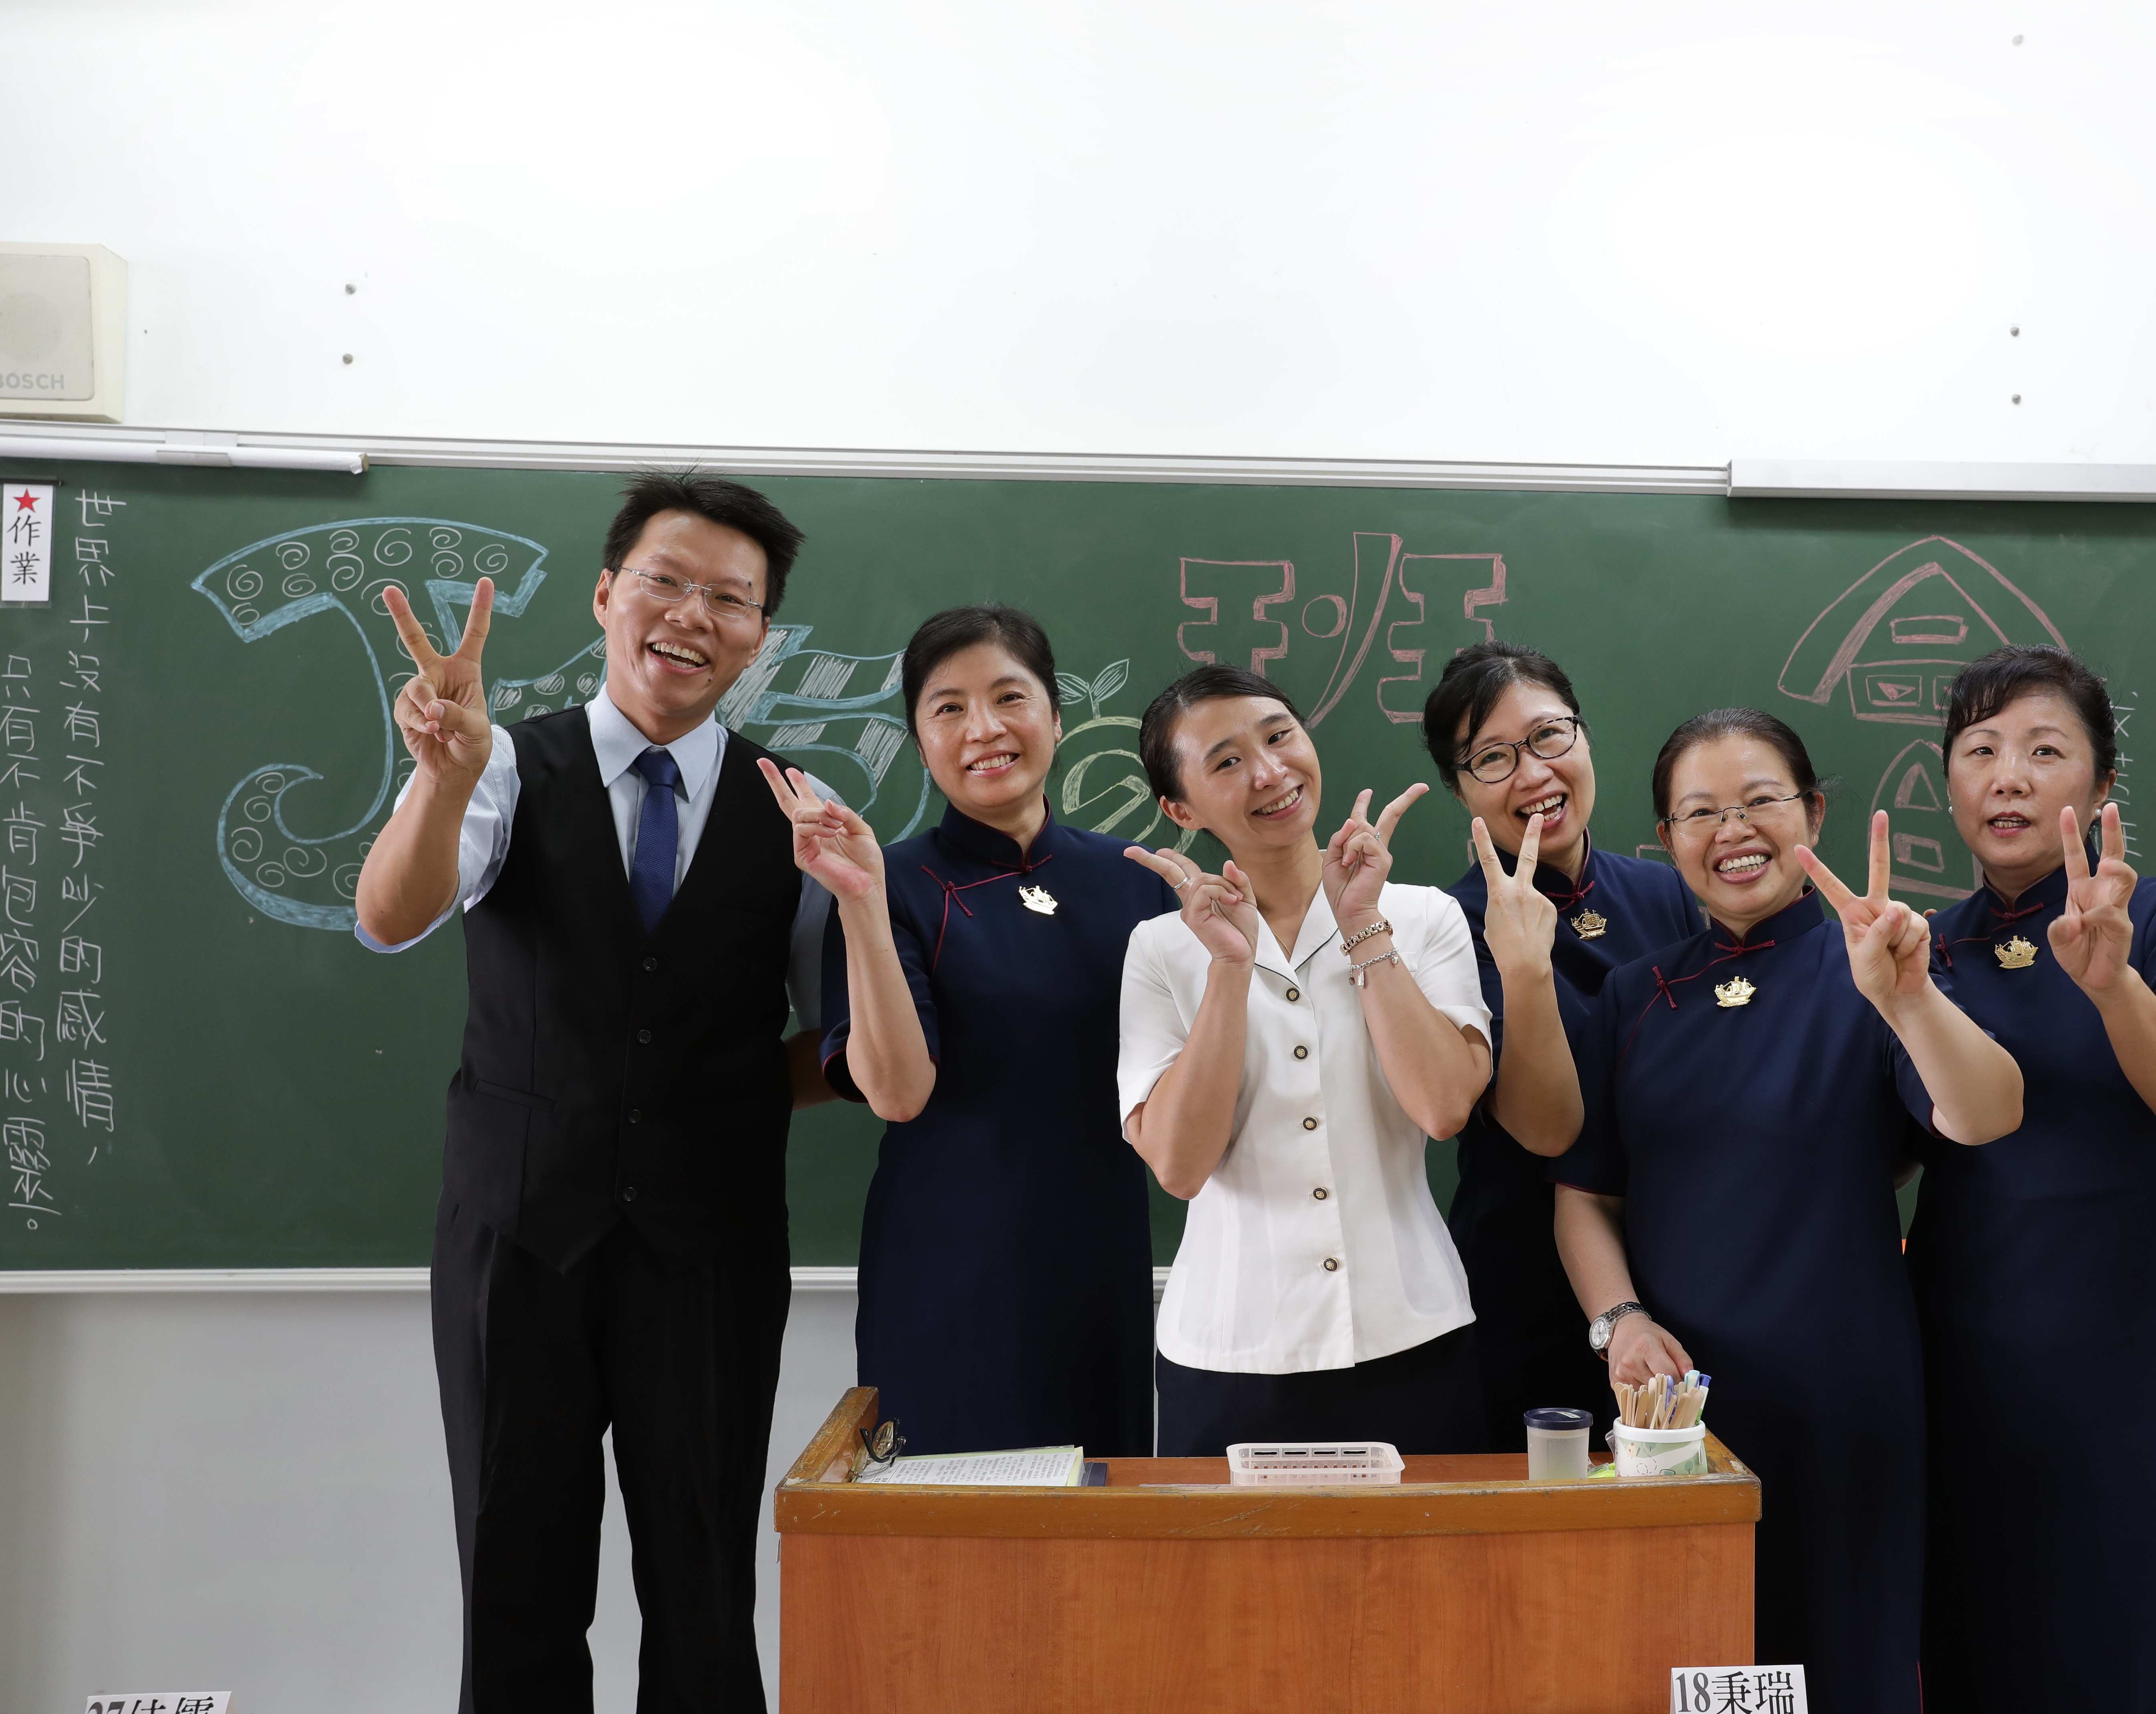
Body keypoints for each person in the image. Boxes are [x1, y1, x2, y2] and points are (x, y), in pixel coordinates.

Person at [355, 472, 838, 1714]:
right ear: (607, 594)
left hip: (712, 1250)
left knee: (705, 1592)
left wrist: (707, 1101)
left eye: (730, 599)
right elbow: (391, 917)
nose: (692, 616)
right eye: (665, 583)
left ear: (760, 636)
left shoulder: (802, 809)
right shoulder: (498, 763)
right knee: (514, 1583)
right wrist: (443, 777)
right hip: (518, 1237)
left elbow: (834, 1048)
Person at [1550, 708, 2023, 1710]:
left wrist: (1908, 997)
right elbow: (1585, 1195)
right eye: (1701, 812)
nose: (1734, 830)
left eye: (1761, 800)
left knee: (1848, 1663)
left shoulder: (1880, 962)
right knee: (1692, 1657)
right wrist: (1619, 1320)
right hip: (1676, 1410)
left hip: (1846, 1397)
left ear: (1812, 812)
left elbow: (1985, 1116)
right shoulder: (1633, 995)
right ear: (1667, 838)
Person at [1908, 645, 2156, 1713]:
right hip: (1970, 1363)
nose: (2007, 778)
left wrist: (2115, 986)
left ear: (2104, 782)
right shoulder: (1920, 951)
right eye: (1980, 751)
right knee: (1985, 1652)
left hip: (2144, 1366)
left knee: (2147, 1652)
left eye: (2044, 751)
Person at [768, 604, 1177, 1458]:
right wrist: (862, 903)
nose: (984, 728)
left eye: (1009, 697)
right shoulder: (883, 881)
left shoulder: (1140, 882)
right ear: (921, 744)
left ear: (1056, 716)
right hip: (947, 1273)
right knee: (947, 1524)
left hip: (1101, 1265)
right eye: (948, 708)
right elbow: (897, 1091)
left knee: (1100, 1517)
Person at [1115, 664, 1493, 1456]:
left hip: (1413, 1335)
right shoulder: (1160, 949)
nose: (1269, 771)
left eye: (1279, 736)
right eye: (1226, 761)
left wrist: (1363, 926)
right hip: (1228, 1353)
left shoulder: (1423, 916)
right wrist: (1228, 968)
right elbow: (1180, 1166)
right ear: (1180, 809)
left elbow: (1442, 1107)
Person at [1423, 642, 1703, 1449]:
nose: (1535, 772)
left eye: (1549, 735)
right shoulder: (1446, 924)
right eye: (1493, 758)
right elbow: (1543, 1127)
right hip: (1525, 1287)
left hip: (1682, 1267)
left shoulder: (1671, 891)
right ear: (1459, 788)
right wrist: (1524, 968)